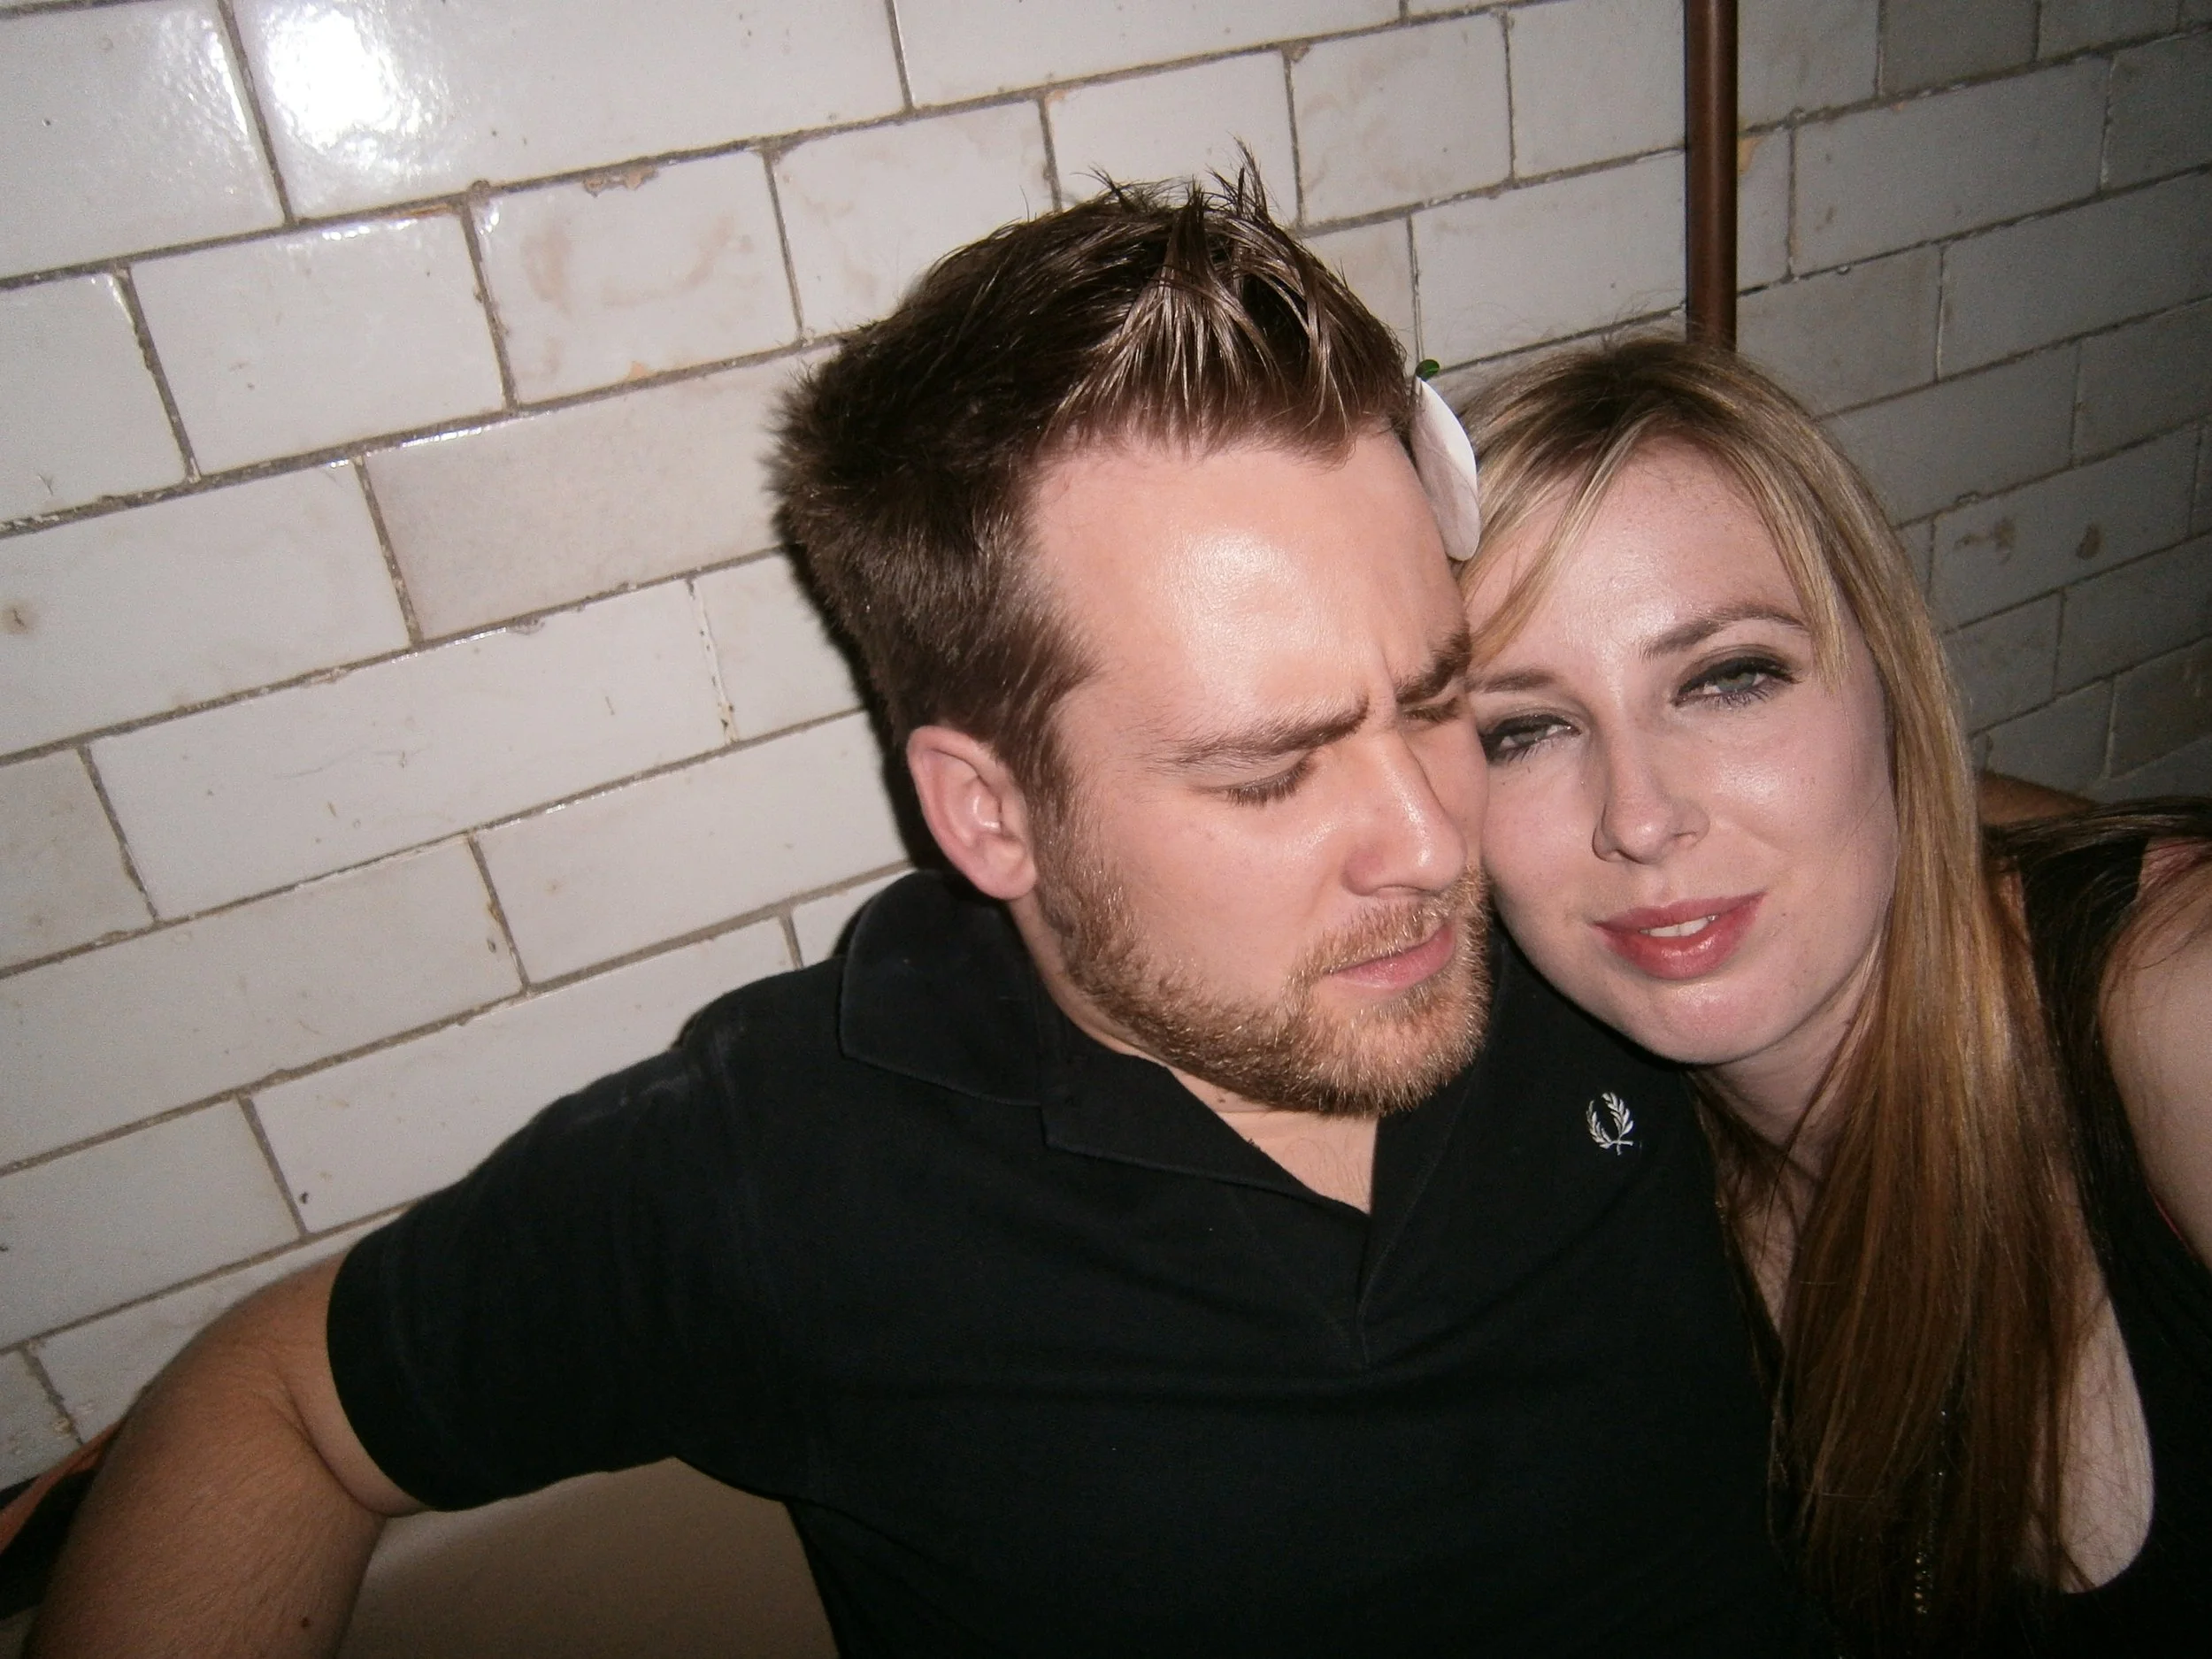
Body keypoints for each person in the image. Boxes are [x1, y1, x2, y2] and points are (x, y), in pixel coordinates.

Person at [28, 183, 1819, 1655]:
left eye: (1434, 700)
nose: (1431, 842)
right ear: (989, 810)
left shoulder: (1596, 914)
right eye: (1269, 774)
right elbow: (274, 1407)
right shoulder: (795, 1165)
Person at [1453, 334, 2212, 1654]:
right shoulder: (1593, 1134)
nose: (1640, 818)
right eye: (1525, 728)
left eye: (1728, 677)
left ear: (1889, 682)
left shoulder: (2172, 1005)